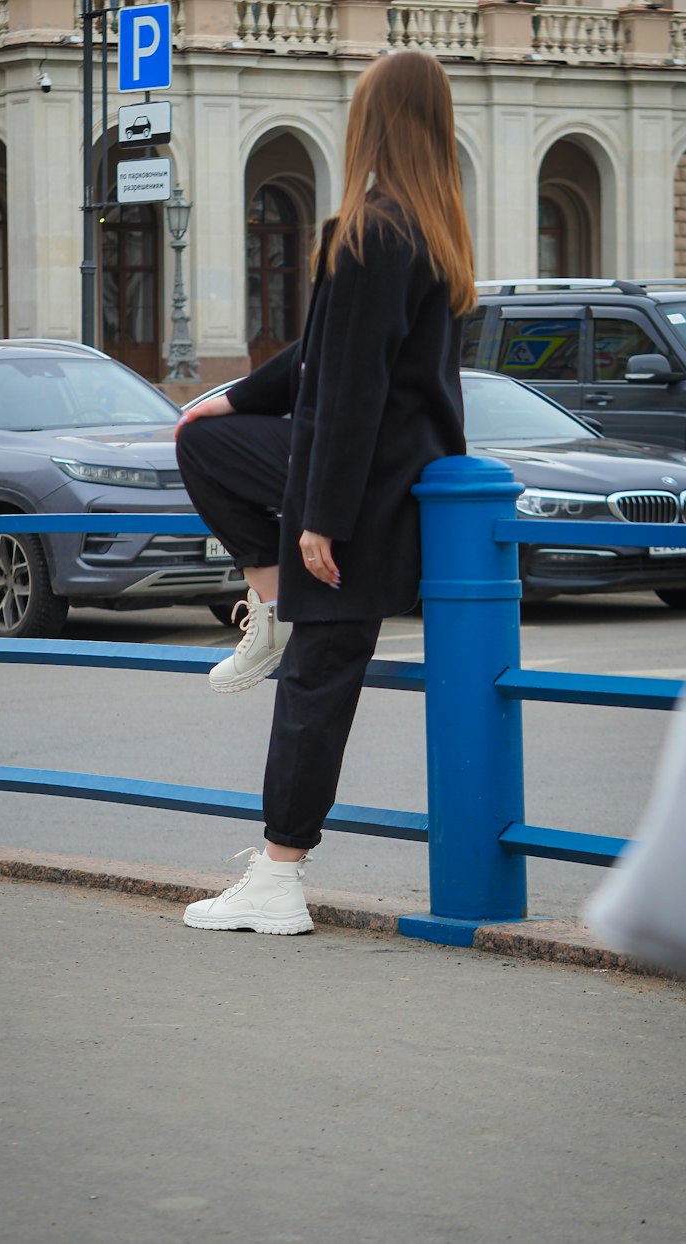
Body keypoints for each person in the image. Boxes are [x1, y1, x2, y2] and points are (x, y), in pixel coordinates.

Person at [175, 49, 476, 934]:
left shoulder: (368, 229)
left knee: (316, 679)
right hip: (401, 483)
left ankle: (277, 879)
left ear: (371, 122)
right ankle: (266, 610)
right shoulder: (430, 230)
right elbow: (323, 360)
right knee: (208, 439)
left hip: (359, 493)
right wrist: (230, 396)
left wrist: (319, 520)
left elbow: (349, 390)